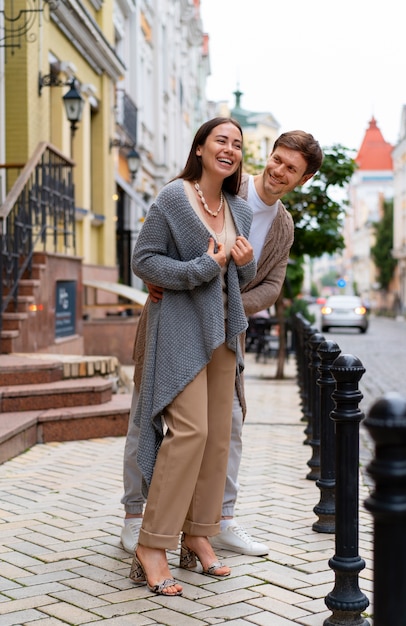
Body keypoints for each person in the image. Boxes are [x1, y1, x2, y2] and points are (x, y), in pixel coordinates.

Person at [121, 129, 323, 559]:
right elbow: (154, 255)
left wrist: (224, 305)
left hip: (224, 331)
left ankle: (215, 522)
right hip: (174, 321)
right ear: (267, 156)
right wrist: (166, 281)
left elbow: (269, 287)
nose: (279, 171)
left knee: (224, 428)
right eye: (278, 159)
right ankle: (137, 517)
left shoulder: (282, 225)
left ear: (302, 180)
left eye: (292, 169)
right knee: (147, 415)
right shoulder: (223, 184)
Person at [128, 117, 256, 596]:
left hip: (224, 331)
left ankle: (198, 533)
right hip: (181, 329)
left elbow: (241, 273)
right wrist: (203, 266)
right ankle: (152, 543)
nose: (230, 149)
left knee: (218, 436)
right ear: (201, 147)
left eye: (238, 144)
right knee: (190, 432)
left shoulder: (239, 209)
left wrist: (244, 264)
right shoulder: (173, 198)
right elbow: (144, 259)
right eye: (221, 140)